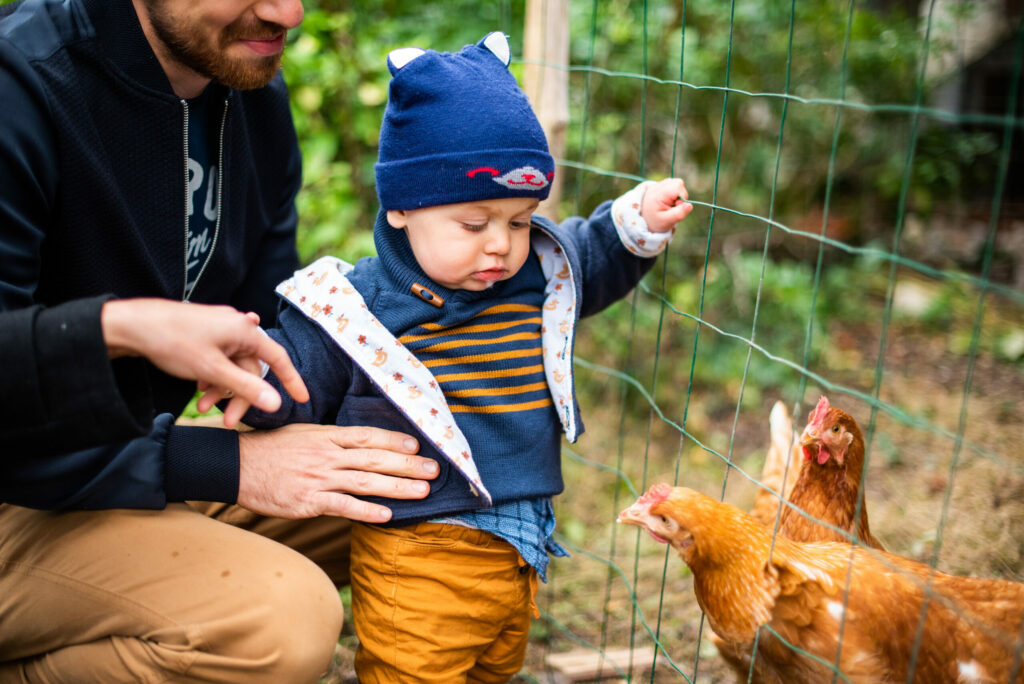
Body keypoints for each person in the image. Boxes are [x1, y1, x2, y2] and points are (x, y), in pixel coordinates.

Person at [0, 0, 440, 681]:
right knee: (282, 623)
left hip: (119, 461)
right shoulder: (20, 84)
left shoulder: (245, 88)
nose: (287, 12)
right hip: (18, 491)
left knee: (434, 487)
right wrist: (122, 329)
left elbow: (268, 331)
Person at [240, 32, 694, 682]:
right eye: (474, 225)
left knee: (494, 668)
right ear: (401, 207)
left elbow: (592, 254)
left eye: (518, 220)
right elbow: (300, 376)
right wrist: (254, 385)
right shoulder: (356, 306)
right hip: (418, 550)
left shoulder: (536, 272)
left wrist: (637, 224)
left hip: (520, 545)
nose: (501, 247)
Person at [2, 297, 310, 453]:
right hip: (32, 478)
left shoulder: (263, 172)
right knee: (286, 579)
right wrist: (121, 327)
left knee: (353, 485)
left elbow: (263, 320)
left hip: (156, 447)